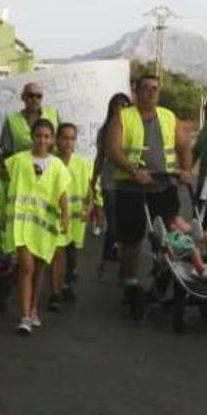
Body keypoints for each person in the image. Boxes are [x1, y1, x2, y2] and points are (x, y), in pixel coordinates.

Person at [105, 74, 193, 305]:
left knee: (169, 234)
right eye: (146, 88)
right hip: (131, 187)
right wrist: (134, 171)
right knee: (132, 239)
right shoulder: (123, 117)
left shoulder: (168, 117)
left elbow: (183, 145)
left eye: (155, 88)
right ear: (136, 91)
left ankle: (167, 274)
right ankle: (130, 283)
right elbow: (113, 149)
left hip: (163, 185)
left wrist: (186, 170)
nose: (151, 92)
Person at [4, 119, 70, 334]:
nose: (42, 140)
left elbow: (62, 193)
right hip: (22, 223)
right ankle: (24, 316)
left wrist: (66, 217)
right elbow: (3, 177)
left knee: (40, 269)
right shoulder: (18, 160)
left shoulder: (57, 165)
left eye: (47, 136)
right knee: (26, 267)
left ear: (52, 140)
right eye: (38, 135)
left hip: (44, 225)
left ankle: (33, 309)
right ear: (32, 137)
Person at [49, 123, 95, 311]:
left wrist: (90, 208)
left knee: (72, 255)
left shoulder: (84, 164)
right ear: (57, 140)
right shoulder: (50, 162)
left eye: (72, 138)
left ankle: (67, 283)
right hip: (57, 217)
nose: (68, 142)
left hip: (77, 219)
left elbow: (91, 190)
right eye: (64, 138)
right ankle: (55, 293)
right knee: (58, 255)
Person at [91, 93, 131, 277]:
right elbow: (100, 157)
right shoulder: (104, 130)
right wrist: (93, 179)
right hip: (109, 181)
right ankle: (105, 259)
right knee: (113, 225)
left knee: (125, 223)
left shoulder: (133, 128)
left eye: (124, 104)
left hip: (129, 182)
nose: (120, 107)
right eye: (116, 104)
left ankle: (119, 253)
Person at [0, 82, 60, 157]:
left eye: (38, 96)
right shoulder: (11, 120)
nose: (34, 99)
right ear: (22, 97)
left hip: (51, 166)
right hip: (23, 166)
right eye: (30, 95)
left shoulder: (54, 114)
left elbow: (62, 143)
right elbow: (6, 151)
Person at [163, 216, 207, 281]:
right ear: (173, 226)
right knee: (195, 250)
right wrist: (171, 253)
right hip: (183, 254)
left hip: (195, 253)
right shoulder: (171, 236)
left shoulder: (187, 235)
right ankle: (202, 271)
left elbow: (198, 239)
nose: (185, 223)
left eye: (185, 222)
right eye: (182, 222)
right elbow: (166, 244)